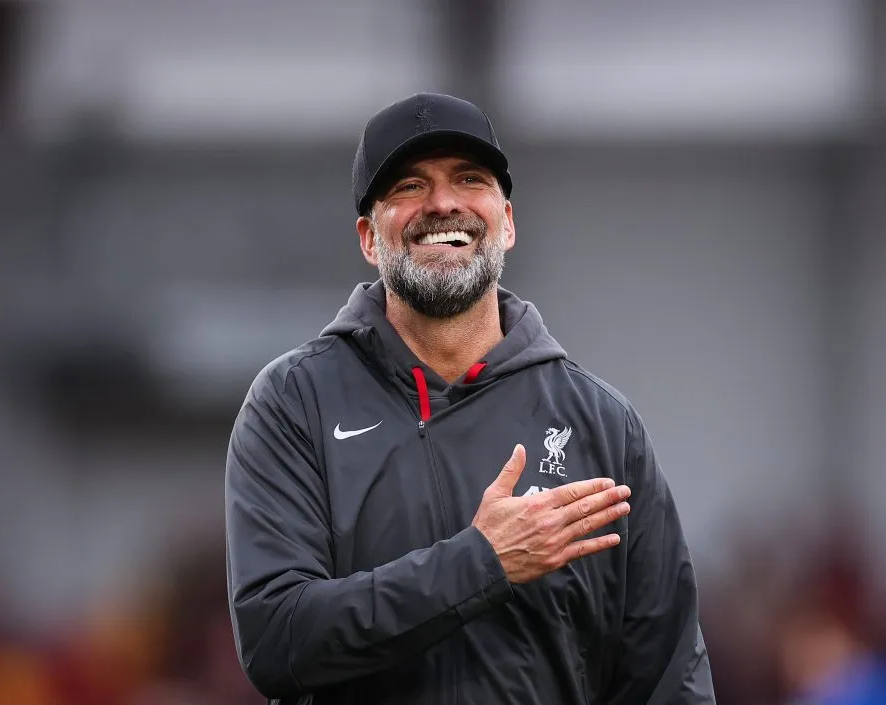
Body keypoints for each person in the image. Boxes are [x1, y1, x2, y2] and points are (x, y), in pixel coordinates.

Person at [225, 93, 716, 705]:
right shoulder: (294, 403)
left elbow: (668, 679)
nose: (443, 203)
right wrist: (482, 562)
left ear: (506, 222)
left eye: (470, 179)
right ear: (369, 238)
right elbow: (276, 639)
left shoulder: (601, 423)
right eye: (409, 185)